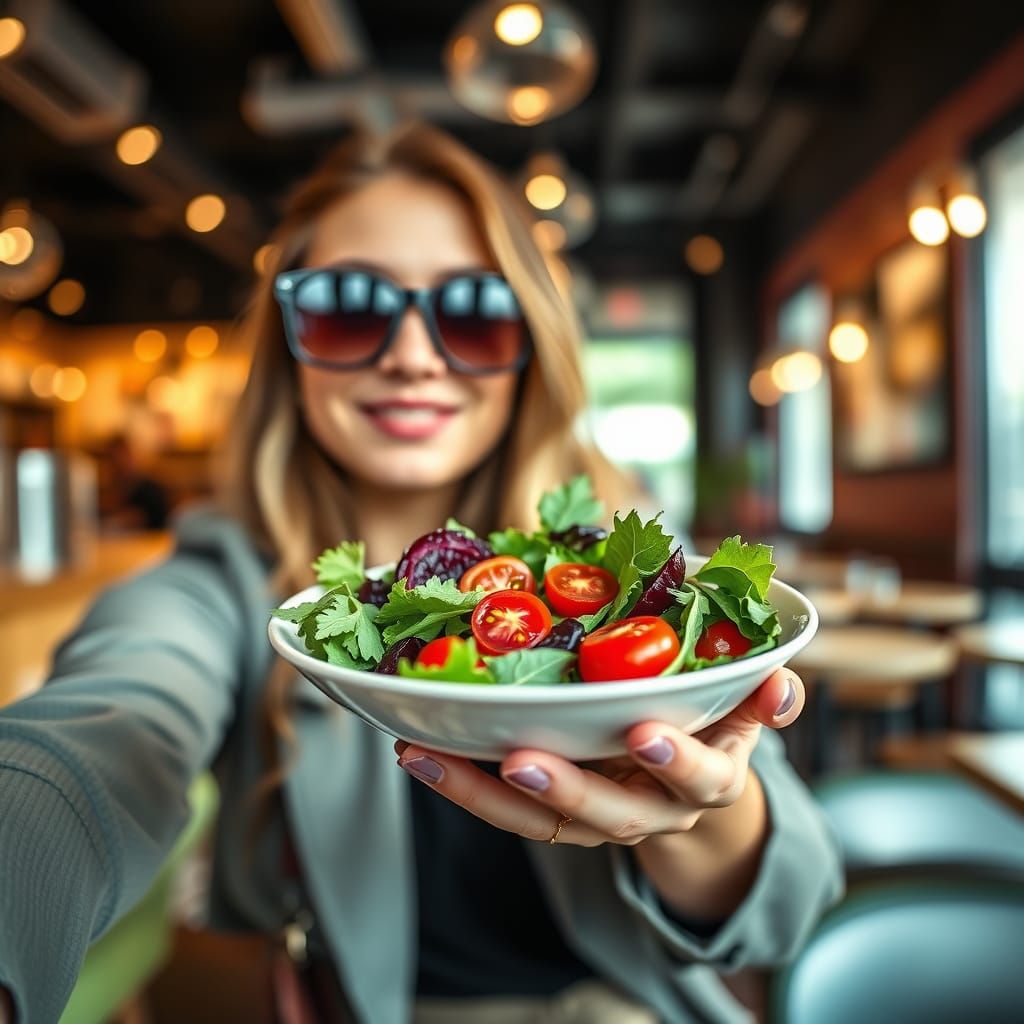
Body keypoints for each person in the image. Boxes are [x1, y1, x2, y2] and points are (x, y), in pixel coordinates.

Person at [0, 123, 842, 1024]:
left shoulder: (619, 572)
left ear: (530, 345)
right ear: (290, 345)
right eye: (350, 305)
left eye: (474, 310)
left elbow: (795, 902)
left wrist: (701, 809)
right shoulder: (230, 587)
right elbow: (106, 729)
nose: (411, 355)